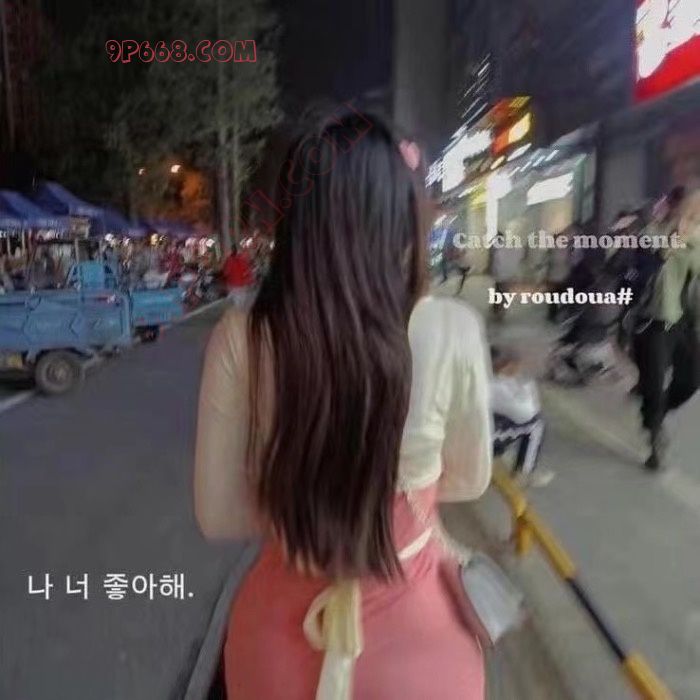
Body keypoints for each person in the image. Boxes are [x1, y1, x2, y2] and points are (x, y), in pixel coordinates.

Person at [194, 110, 493, 700]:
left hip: (275, 646)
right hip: (423, 651)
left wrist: (313, 500)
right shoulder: (452, 328)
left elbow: (219, 514)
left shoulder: (242, 338)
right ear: (399, 219)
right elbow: (470, 477)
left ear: (296, 221)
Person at [632, 187, 700, 470]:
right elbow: (645, 269)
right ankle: (655, 439)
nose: (694, 215)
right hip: (652, 322)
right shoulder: (650, 234)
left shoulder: (696, 239)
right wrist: (672, 243)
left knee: (691, 380)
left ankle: (655, 414)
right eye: (690, 208)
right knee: (654, 384)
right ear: (672, 207)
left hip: (682, 322)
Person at [491, 348, 552, 487]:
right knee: (536, 426)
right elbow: (528, 413)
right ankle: (524, 472)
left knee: (504, 419)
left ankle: (498, 453)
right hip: (479, 437)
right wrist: (528, 389)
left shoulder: (483, 378)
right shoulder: (497, 385)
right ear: (507, 366)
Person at [222, 244, 255, 308]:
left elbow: (226, 273)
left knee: (235, 302)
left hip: (233, 285)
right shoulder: (243, 258)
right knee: (241, 301)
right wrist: (250, 281)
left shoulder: (229, 260)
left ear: (231, 251)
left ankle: (236, 311)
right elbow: (248, 270)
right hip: (243, 284)